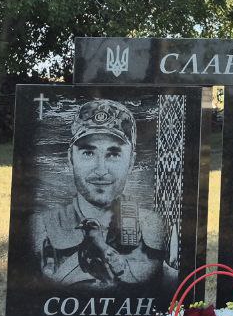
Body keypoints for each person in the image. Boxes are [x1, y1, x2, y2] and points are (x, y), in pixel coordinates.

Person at [34, 99, 166, 287]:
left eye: (114, 154)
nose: (101, 170)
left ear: (131, 162)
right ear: (70, 159)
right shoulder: (41, 228)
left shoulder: (154, 226)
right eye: (88, 153)